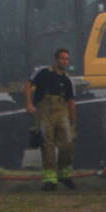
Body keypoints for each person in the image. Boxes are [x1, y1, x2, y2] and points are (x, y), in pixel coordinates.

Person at [25, 48, 77, 191]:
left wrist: (73, 121)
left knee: (67, 143)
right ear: (56, 59)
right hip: (44, 111)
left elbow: (71, 101)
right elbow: (28, 85)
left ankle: (65, 174)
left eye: (67, 59)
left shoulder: (68, 80)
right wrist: (29, 104)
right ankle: (50, 178)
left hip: (62, 112)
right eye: (62, 58)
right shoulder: (43, 72)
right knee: (47, 144)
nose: (65, 61)